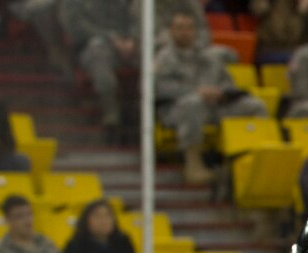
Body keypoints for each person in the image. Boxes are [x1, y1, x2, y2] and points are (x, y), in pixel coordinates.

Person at [155, 11, 267, 185]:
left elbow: (229, 84)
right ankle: (193, 165)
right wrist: (196, 91)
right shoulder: (164, 58)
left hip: (215, 106)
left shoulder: (210, 56)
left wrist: (221, 92)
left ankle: (250, 161)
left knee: (255, 106)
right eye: (180, 28)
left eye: (189, 28)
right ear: (171, 31)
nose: (185, 32)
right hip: (177, 109)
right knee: (194, 103)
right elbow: (159, 88)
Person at [65, 0, 142, 134]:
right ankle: (111, 114)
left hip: (128, 44)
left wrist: (132, 38)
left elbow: (137, 19)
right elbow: (77, 27)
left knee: (150, 56)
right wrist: (111, 38)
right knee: (98, 56)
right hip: (94, 44)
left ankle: (143, 111)